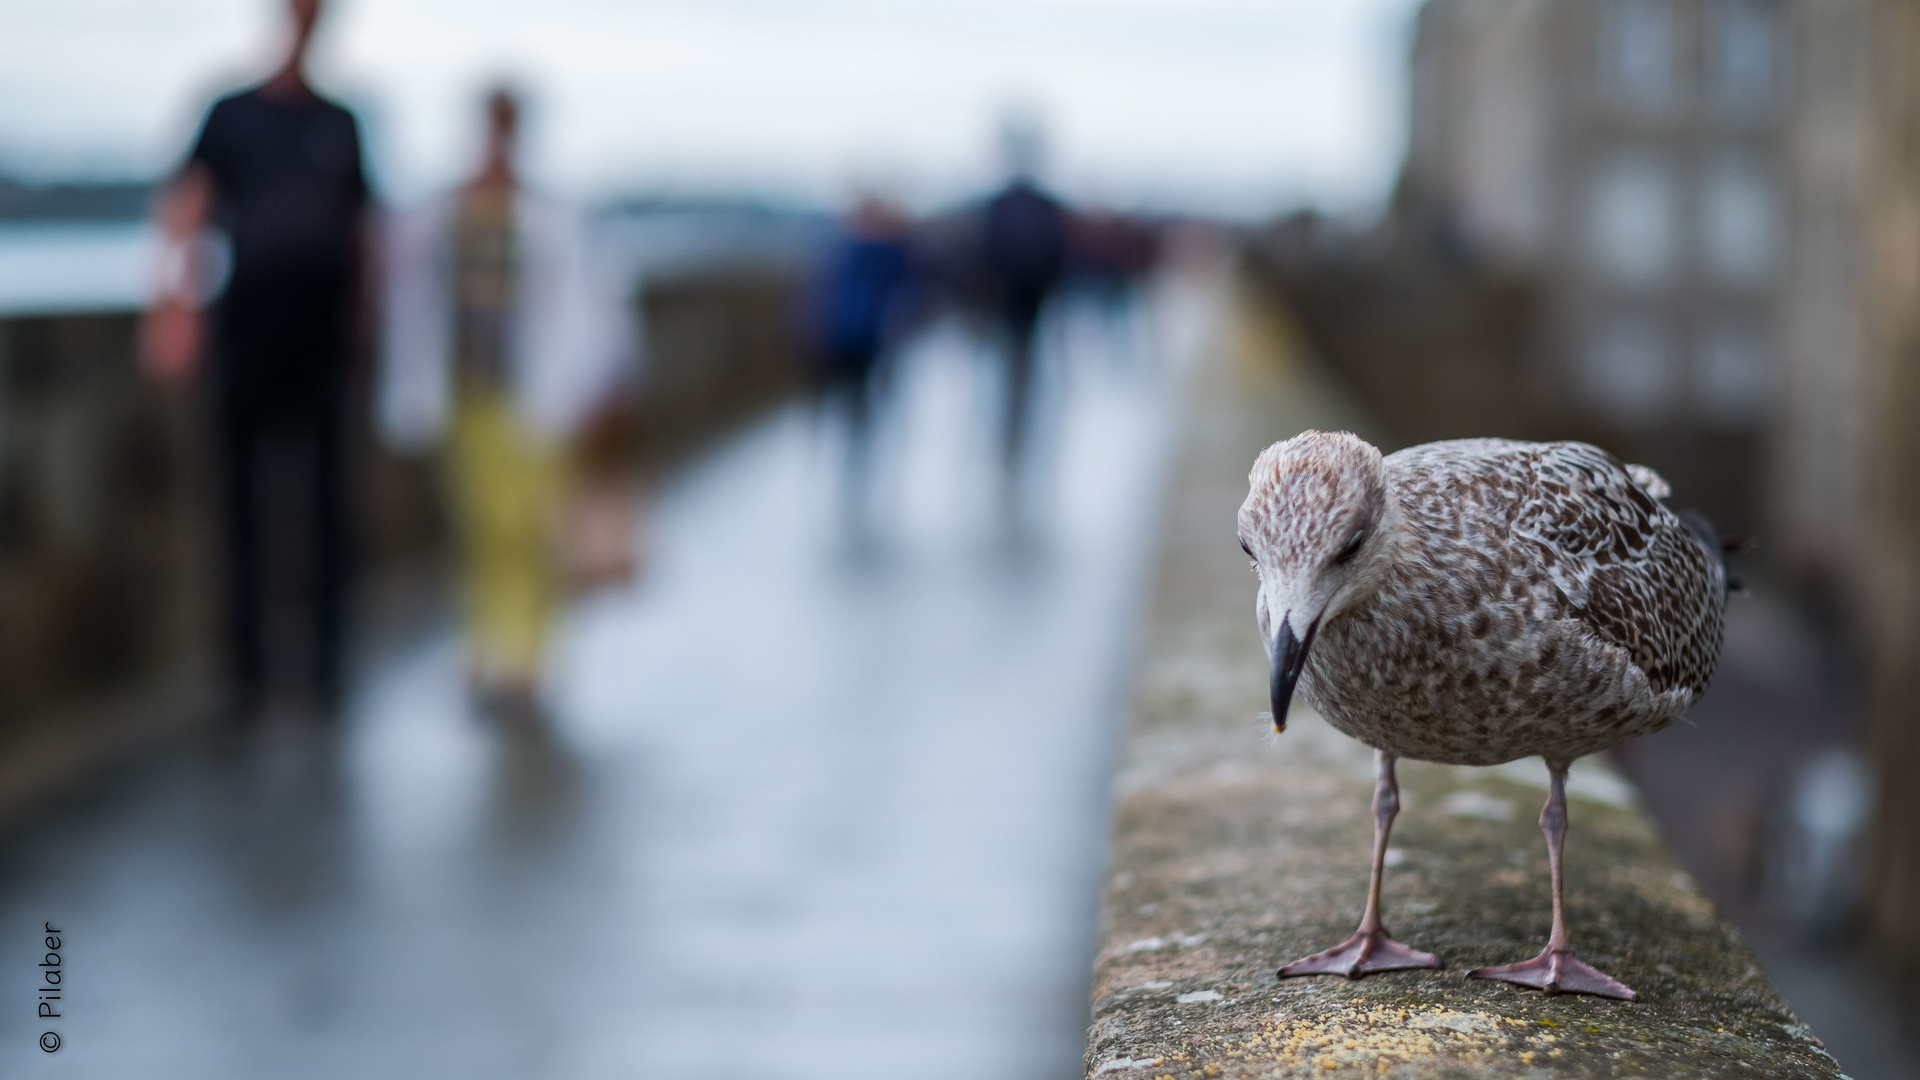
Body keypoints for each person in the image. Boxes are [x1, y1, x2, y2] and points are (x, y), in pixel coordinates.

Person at [141, 0, 371, 720]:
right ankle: (245, 677)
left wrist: (371, 325)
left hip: (323, 338)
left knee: (327, 506)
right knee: (239, 504)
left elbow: (363, 229)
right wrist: (174, 308)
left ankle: (327, 672)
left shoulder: (340, 123)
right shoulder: (232, 114)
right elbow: (186, 209)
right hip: (249, 331)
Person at [380, 87, 631, 717]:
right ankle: (484, 650)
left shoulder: (550, 214)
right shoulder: (445, 212)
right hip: (468, 393)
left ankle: (529, 659)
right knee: (476, 528)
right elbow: (407, 295)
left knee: (529, 528)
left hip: (538, 397)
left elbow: (596, 308)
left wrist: (600, 386)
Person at [814, 194, 915, 532]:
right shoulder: (887, 250)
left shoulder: (847, 248)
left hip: (856, 339)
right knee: (863, 402)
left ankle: (856, 454)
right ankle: (860, 452)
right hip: (862, 340)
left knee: (856, 402)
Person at [981, 116, 1068, 489]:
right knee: (1022, 372)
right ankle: (1018, 430)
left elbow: (985, 254)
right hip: (1029, 305)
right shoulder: (1047, 207)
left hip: (1010, 306)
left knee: (1010, 371)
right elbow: (1058, 254)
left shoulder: (996, 205)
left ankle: (1009, 434)